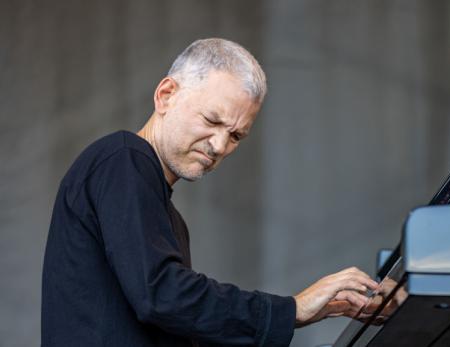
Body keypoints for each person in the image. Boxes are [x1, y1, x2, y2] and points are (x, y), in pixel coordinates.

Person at [41, 38, 378, 347]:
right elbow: (162, 295)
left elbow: (178, 324)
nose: (219, 146)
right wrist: (293, 309)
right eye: (212, 120)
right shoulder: (124, 157)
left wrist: (317, 310)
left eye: (235, 136)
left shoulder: (172, 219)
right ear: (166, 95)